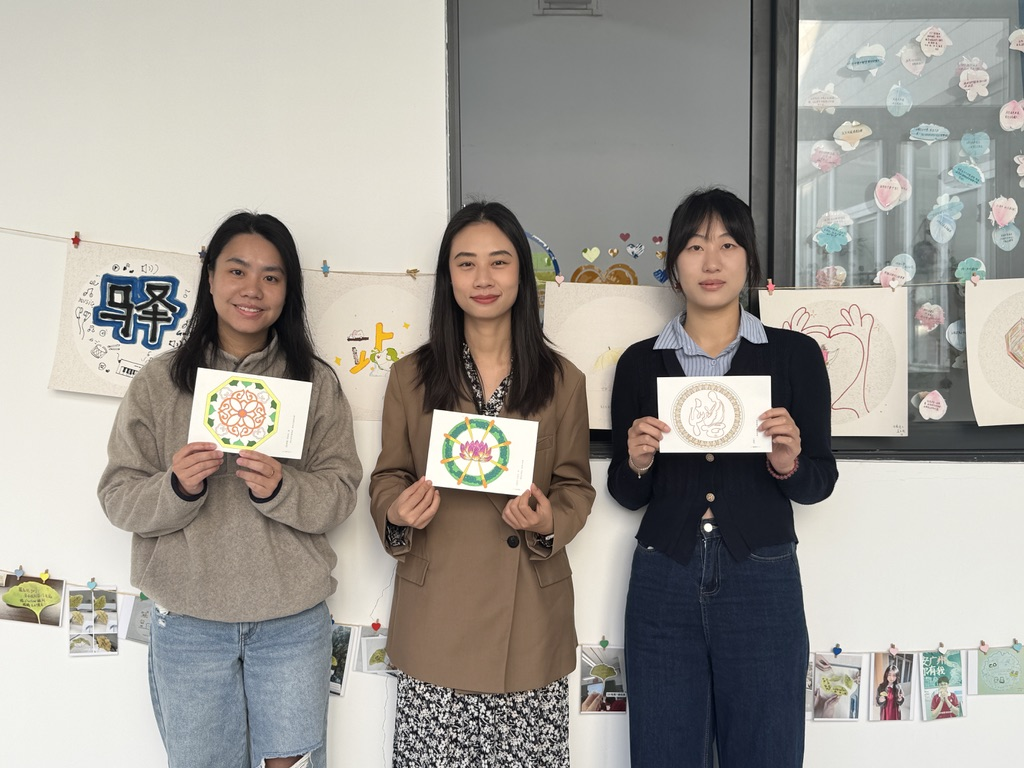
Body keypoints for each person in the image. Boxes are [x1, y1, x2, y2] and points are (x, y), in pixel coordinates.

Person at [98, 211, 362, 768]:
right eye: (237, 271)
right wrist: (176, 488)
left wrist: (282, 489)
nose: (252, 289)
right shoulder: (160, 382)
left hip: (291, 622)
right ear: (210, 276)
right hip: (188, 622)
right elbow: (118, 495)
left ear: (289, 290)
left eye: (272, 276)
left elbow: (340, 492)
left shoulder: (314, 383)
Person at [607, 187, 838, 768]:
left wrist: (787, 463)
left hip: (762, 571)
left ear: (750, 260)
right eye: (694, 246)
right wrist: (637, 463)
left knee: (767, 747)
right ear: (673, 266)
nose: (711, 262)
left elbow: (819, 482)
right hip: (664, 573)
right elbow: (625, 493)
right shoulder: (638, 362)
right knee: (663, 750)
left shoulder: (795, 356)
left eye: (728, 245)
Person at [369, 201, 595, 767]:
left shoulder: (562, 381)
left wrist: (548, 520)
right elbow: (389, 475)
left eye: (499, 261)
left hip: (528, 623)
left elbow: (575, 487)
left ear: (522, 273)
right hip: (435, 618)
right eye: (466, 263)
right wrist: (397, 511)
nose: (483, 278)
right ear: (448, 278)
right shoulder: (411, 376)